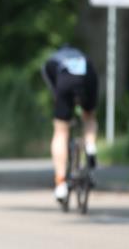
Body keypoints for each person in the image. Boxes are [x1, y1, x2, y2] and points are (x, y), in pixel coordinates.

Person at [41, 45, 99, 205]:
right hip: (88, 77)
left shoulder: (52, 61)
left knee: (61, 130)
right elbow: (94, 77)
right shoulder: (83, 56)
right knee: (89, 117)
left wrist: (63, 106)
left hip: (64, 81)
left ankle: (60, 184)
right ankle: (91, 146)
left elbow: (54, 88)